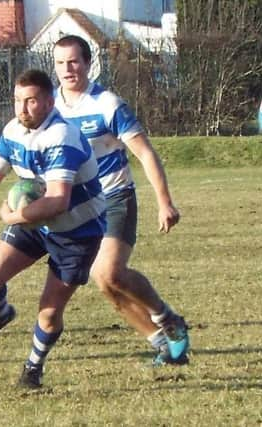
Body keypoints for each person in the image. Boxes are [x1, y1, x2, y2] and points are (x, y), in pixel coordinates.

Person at [52, 35, 189, 366]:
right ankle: (162, 343)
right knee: (105, 283)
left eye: (74, 61)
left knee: (110, 272)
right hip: (78, 208)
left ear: (87, 63)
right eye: (60, 63)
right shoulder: (50, 109)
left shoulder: (107, 104)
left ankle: (168, 318)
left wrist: (164, 201)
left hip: (115, 197)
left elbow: (144, 152)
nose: (68, 69)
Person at [0, 69, 107, 388]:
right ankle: (0, 313)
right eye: (18, 100)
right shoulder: (14, 130)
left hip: (78, 231)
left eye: (30, 101)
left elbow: (58, 200)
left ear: (48, 101)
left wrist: (13, 217)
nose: (22, 108)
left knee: (48, 311)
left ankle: (33, 368)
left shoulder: (61, 136)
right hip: (36, 222)